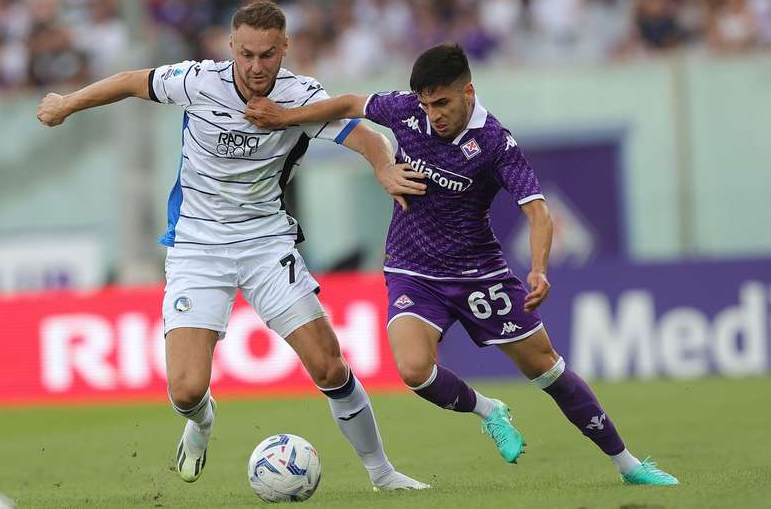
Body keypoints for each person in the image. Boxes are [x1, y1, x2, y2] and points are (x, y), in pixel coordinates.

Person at [36, 1, 430, 491]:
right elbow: (131, 81)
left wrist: (383, 167)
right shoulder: (199, 81)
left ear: (284, 48)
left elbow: (365, 136)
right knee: (185, 390)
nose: (256, 66)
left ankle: (382, 473)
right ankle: (201, 421)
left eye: (267, 54)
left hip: (266, 242)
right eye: (246, 54)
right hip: (197, 244)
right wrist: (68, 102)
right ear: (231, 47)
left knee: (329, 366)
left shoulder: (300, 97)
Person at [246, 42, 680, 486]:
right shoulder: (405, 112)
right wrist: (283, 116)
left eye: (442, 103)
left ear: (468, 92)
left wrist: (539, 269)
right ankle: (488, 410)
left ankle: (629, 464)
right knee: (415, 372)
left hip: (479, 274)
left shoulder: (495, 143)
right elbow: (351, 103)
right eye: (426, 103)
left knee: (547, 370)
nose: (433, 114)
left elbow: (538, 210)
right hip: (412, 266)